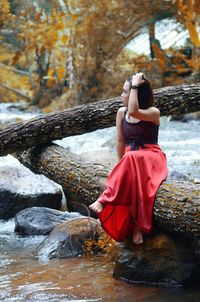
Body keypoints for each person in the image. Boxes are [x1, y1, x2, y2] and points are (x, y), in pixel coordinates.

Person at [89, 72, 168, 244]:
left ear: (136, 94)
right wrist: (120, 169)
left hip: (151, 157)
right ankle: (135, 225)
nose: (121, 95)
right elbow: (120, 142)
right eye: (124, 91)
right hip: (131, 160)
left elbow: (134, 110)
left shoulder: (153, 112)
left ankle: (105, 199)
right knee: (130, 161)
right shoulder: (120, 113)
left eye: (126, 91)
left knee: (132, 157)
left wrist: (134, 85)